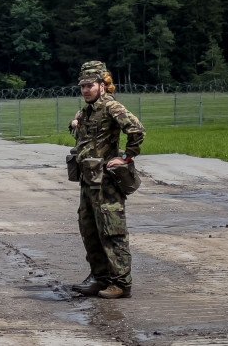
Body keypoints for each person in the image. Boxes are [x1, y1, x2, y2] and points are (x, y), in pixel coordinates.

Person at [67, 60, 146, 299]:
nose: (85, 90)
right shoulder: (86, 111)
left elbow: (136, 129)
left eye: (90, 85)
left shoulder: (112, 107)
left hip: (106, 183)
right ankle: (100, 277)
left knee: (112, 231)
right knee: (89, 229)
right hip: (88, 181)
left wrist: (127, 157)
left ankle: (121, 283)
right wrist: (75, 124)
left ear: (102, 85)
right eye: (82, 86)